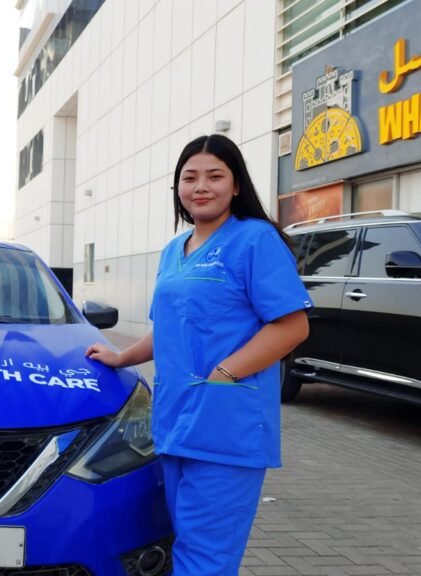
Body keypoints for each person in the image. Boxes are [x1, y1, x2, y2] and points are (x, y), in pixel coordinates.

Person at [86, 134, 311, 574]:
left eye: (214, 176)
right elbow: (167, 330)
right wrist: (120, 358)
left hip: (226, 426)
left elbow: (292, 326)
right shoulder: (174, 250)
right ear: (178, 188)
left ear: (237, 185)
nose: (200, 186)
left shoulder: (254, 240)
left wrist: (224, 374)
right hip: (174, 423)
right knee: (182, 543)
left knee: (205, 558)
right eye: (189, 177)